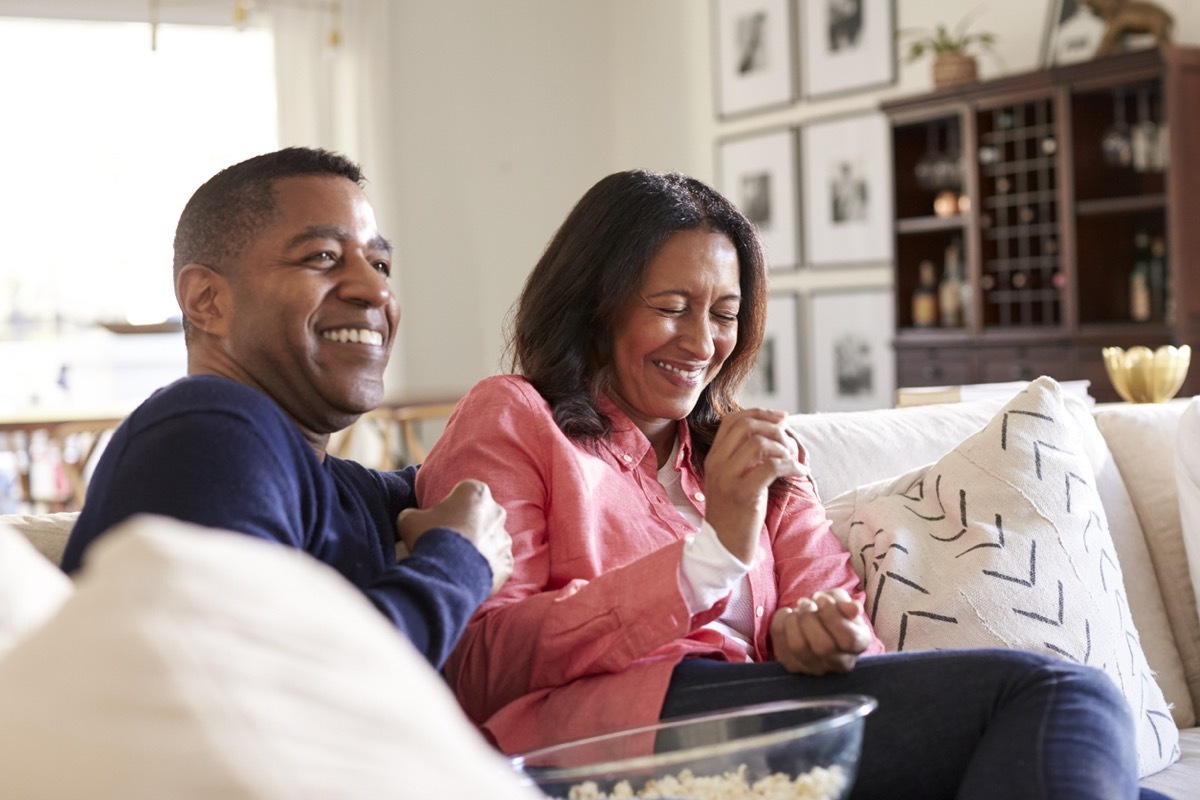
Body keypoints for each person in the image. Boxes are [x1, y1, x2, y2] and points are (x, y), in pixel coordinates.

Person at [415, 169, 1161, 799]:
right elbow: (478, 663)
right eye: (671, 309)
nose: (702, 342)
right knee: (1067, 694)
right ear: (592, 303)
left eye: (725, 314)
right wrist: (709, 557)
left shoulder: (750, 454)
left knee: (1118, 778)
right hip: (611, 742)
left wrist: (831, 637)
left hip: (776, 726)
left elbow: (843, 622)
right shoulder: (516, 418)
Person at [60, 147, 512, 669]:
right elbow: (279, 683)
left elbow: (471, 485)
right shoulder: (205, 430)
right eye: (322, 257)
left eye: (380, 264)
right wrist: (457, 562)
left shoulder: (336, 485)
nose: (376, 289)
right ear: (207, 299)